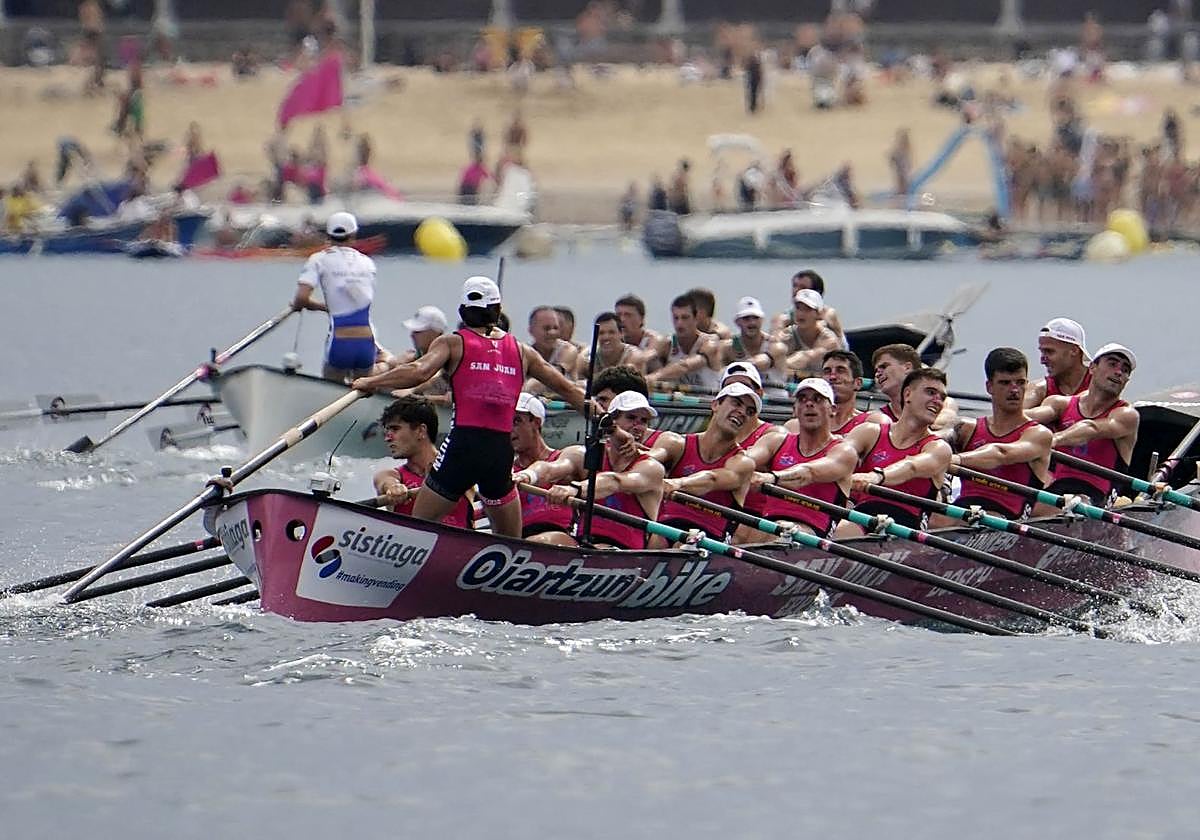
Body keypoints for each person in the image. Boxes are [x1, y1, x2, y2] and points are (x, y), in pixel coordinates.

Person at [351, 276, 586, 538]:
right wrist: (597, 414)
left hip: (461, 449)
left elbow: (419, 372)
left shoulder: (453, 343)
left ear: (462, 311)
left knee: (416, 531)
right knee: (511, 542)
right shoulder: (522, 352)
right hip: (500, 454)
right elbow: (568, 389)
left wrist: (372, 382)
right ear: (497, 311)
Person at [513, 391, 666, 549]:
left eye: (644, 421)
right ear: (612, 422)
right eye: (631, 418)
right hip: (585, 547)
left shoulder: (651, 468)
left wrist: (574, 489)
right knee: (544, 542)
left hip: (624, 553)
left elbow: (614, 481)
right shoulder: (584, 454)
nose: (638, 426)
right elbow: (549, 468)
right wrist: (526, 475)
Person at [740, 377, 859, 541]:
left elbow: (808, 472)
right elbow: (743, 461)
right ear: (795, 409)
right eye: (802, 399)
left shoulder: (844, 451)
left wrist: (770, 478)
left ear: (832, 409)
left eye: (817, 399)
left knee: (779, 530)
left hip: (813, 533)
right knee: (737, 529)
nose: (809, 404)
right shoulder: (776, 441)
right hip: (770, 525)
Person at [1026, 343, 1140, 509]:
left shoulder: (1126, 415)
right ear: (1092, 368)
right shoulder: (1060, 404)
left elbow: (1090, 428)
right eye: (1112, 364)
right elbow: (1026, 419)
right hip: (1057, 490)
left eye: (1125, 370)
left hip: (1096, 498)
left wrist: (1054, 439)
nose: (1118, 372)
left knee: (1072, 502)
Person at [947, 348, 1052, 521]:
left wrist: (951, 461)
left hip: (1005, 520)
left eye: (1020, 382)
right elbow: (933, 440)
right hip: (963, 513)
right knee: (932, 517)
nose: (1014, 390)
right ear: (989, 387)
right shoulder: (967, 429)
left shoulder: (1038, 435)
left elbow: (1000, 454)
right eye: (1005, 383)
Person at [845, 368, 954, 533]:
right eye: (930, 392)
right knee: (841, 530)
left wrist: (876, 477)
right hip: (862, 519)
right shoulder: (869, 432)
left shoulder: (939, 448)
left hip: (906, 530)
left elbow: (911, 466)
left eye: (942, 397)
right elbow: (837, 458)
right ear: (908, 394)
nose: (938, 401)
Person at [651, 383, 760, 545]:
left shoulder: (743, 463)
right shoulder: (676, 443)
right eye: (737, 403)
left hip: (709, 539)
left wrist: (677, 483)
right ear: (715, 405)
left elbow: (712, 479)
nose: (743, 413)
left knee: (681, 544)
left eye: (750, 412)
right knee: (649, 540)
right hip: (665, 528)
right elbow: (648, 459)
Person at [291, 211, 386, 382]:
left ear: (328, 235)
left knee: (331, 393)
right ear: (354, 235)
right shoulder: (367, 262)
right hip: (367, 341)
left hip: (340, 341)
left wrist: (322, 307)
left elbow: (301, 299)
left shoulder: (318, 260)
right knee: (362, 392)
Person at [372, 397, 474, 529]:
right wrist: (393, 488)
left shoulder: (461, 469)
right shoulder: (390, 475)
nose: (387, 438)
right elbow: (386, 481)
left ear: (421, 431)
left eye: (395, 429)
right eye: (387, 431)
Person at [511, 392, 575, 540]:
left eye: (516, 421)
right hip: (518, 543)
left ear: (537, 423)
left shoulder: (564, 458)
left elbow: (546, 470)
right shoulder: (505, 469)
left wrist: (526, 476)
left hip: (560, 539)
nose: (508, 429)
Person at [870, 344, 958, 430]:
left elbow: (943, 421)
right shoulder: (875, 418)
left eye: (884, 366)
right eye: (876, 370)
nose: (878, 374)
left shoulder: (944, 403)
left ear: (907, 368)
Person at [646, 293, 723, 391]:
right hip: (676, 404)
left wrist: (654, 377)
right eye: (676, 318)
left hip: (708, 403)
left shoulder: (710, 343)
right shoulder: (667, 343)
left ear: (696, 319)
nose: (679, 323)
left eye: (685, 317)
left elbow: (685, 366)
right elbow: (645, 357)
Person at [720, 296, 790, 401]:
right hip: (743, 402)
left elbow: (757, 364)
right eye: (746, 318)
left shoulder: (775, 347)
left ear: (762, 320)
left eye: (755, 318)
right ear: (737, 322)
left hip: (775, 404)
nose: (752, 323)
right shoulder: (728, 347)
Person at [1024, 317, 1092, 407]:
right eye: (1042, 352)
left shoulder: (1100, 384)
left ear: (1074, 350)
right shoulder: (1039, 388)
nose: (1042, 361)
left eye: (1049, 351)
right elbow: (1013, 417)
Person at [770, 270, 846, 348]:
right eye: (795, 286)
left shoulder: (828, 314)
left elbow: (842, 344)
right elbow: (775, 337)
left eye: (803, 287)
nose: (796, 291)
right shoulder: (784, 317)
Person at [780, 289, 841, 379]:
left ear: (818, 314)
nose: (801, 313)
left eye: (807, 309)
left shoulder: (829, 340)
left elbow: (804, 358)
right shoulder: (787, 334)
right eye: (798, 308)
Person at [525, 306, 580, 392]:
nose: (552, 333)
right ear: (531, 330)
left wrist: (526, 388)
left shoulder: (568, 350)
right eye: (547, 328)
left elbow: (552, 377)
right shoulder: (525, 352)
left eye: (555, 328)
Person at [575, 311, 644, 377]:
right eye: (601, 333)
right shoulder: (586, 357)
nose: (606, 337)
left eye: (611, 332)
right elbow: (574, 382)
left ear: (621, 334)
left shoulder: (634, 356)